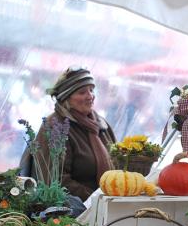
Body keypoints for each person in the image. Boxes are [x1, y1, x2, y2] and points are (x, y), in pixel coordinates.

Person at [20, 67, 116, 201]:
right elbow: (55, 180)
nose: (90, 96)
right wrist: (95, 199)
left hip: (105, 202)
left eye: (91, 90)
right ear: (66, 97)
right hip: (73, 210)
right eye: (82, 92)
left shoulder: (101, 126)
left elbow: (116, 163)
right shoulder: (55, 127)